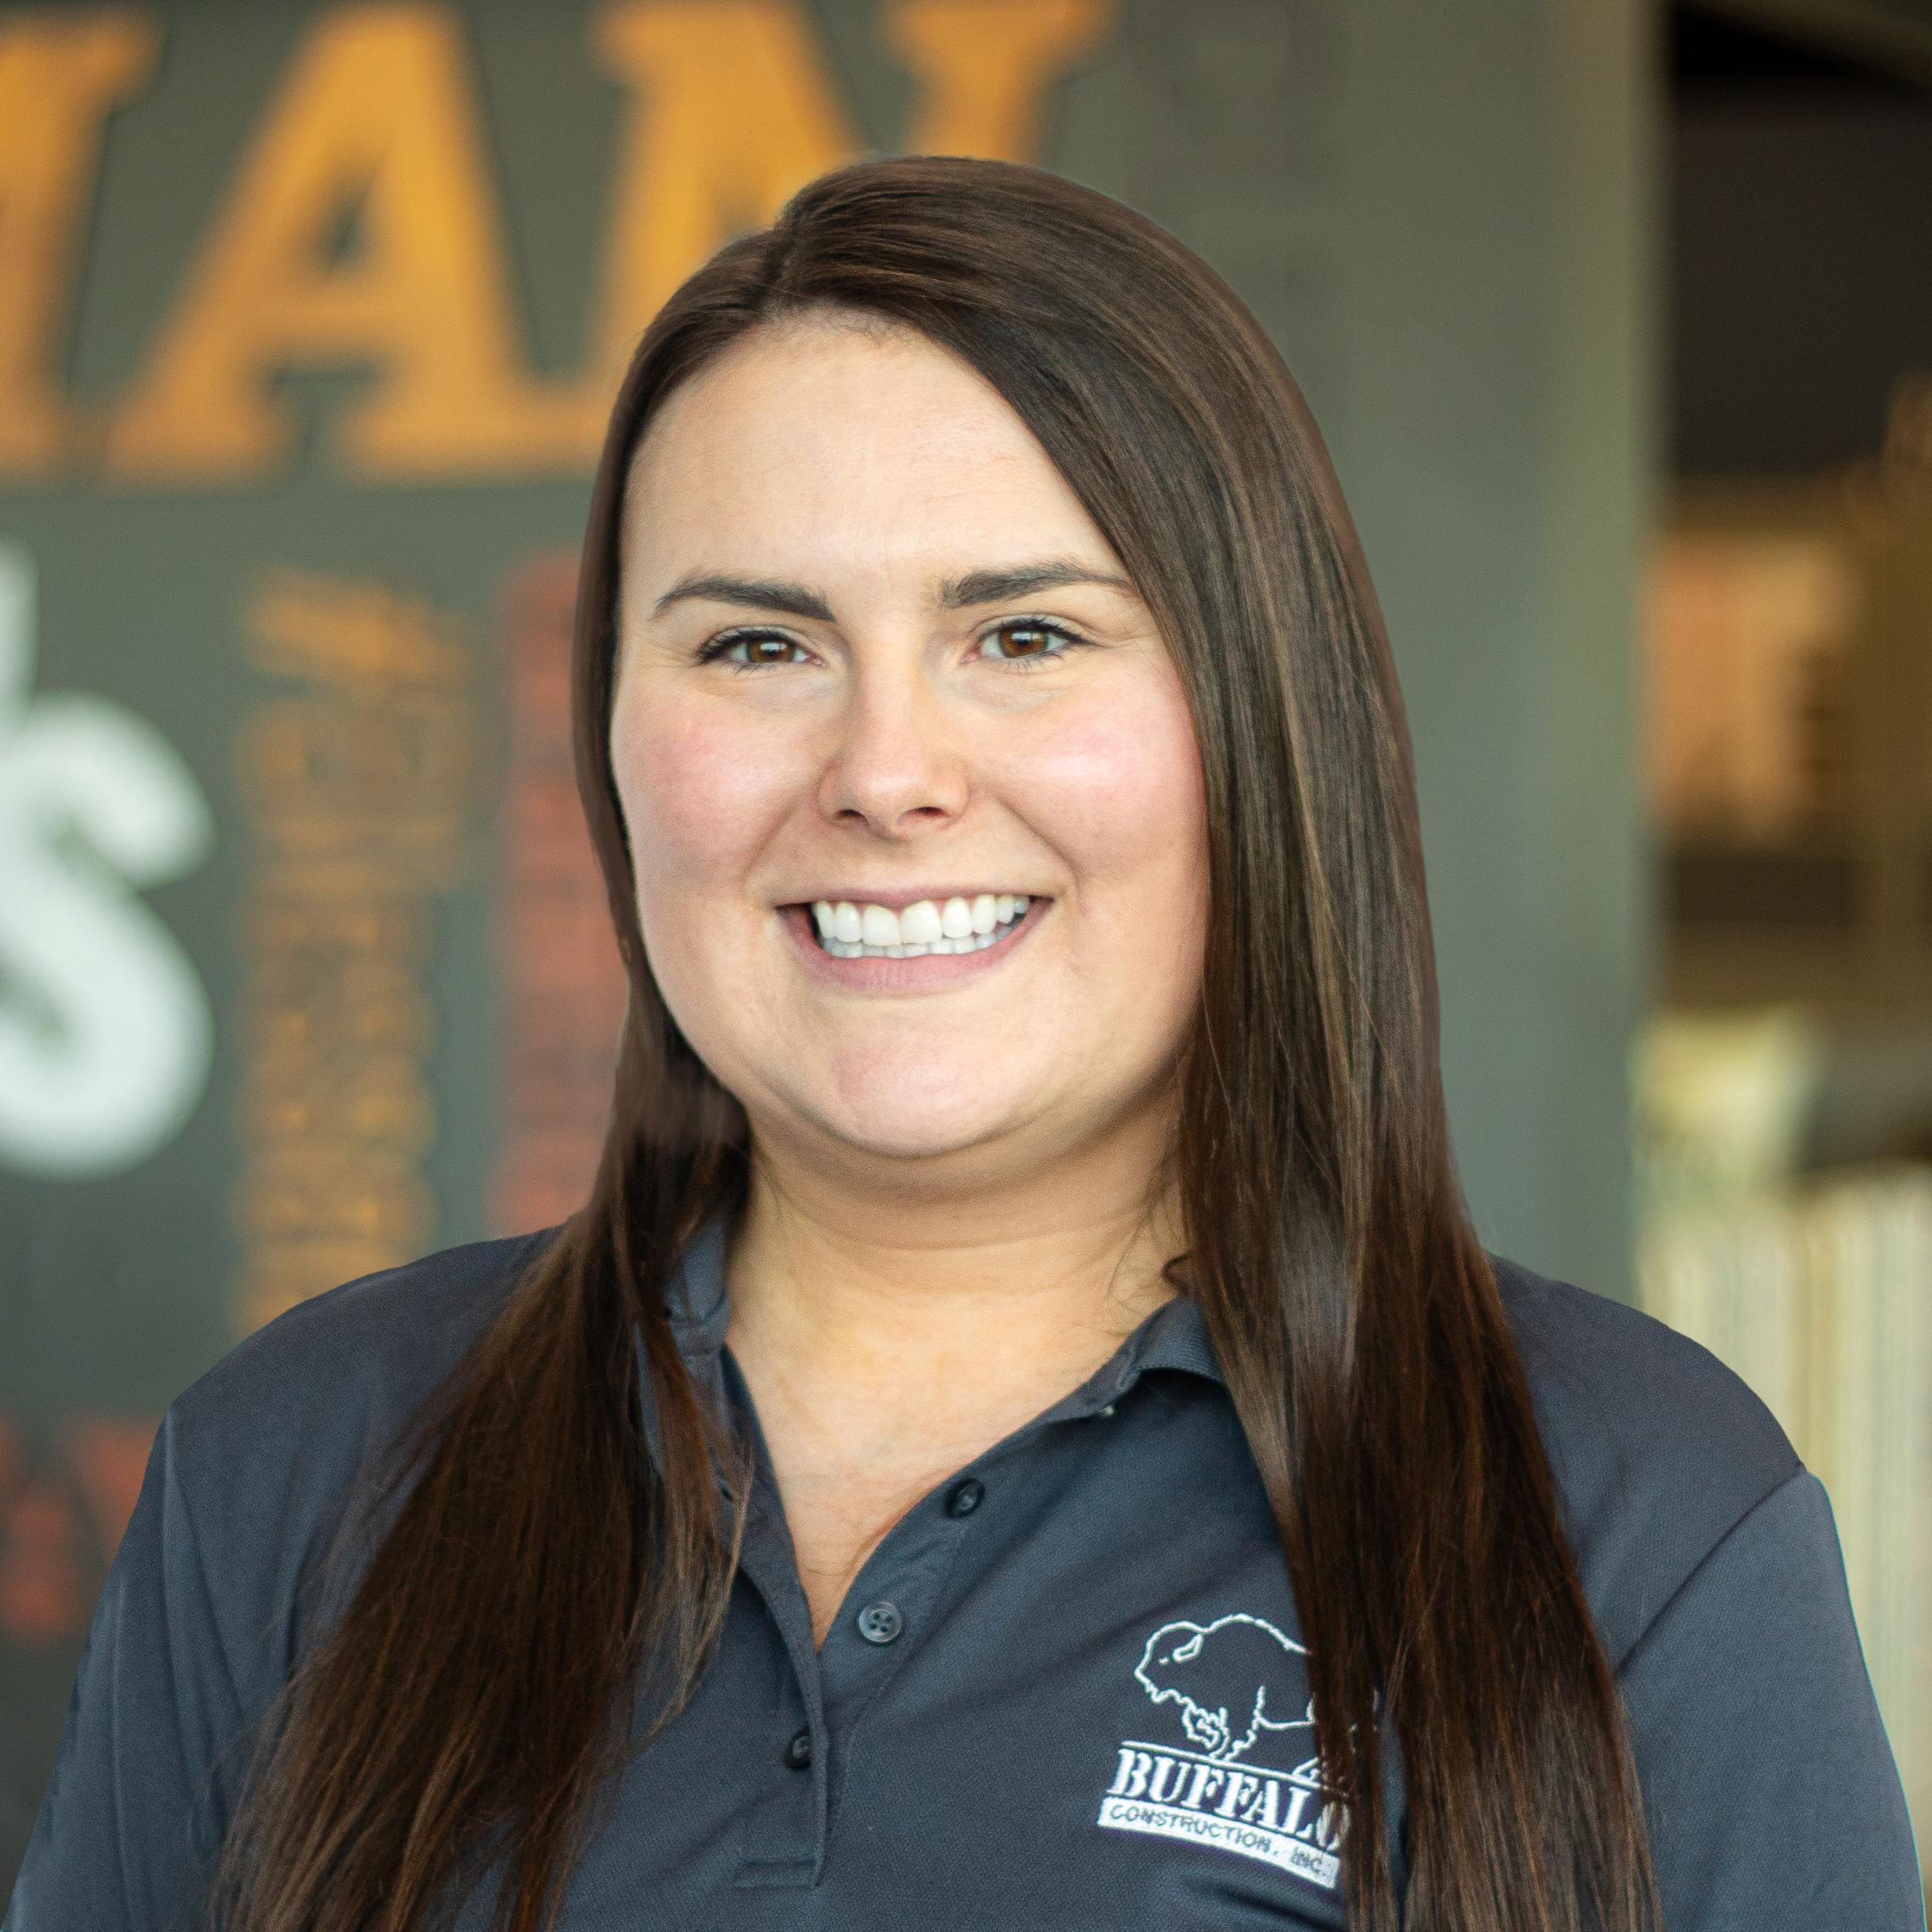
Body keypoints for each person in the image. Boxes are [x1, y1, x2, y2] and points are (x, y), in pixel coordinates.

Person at [6, 154, 1923, 1932]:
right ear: (605, 738)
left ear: (1259, 723)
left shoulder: (1631, 1518)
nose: (885, 775)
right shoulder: (298, 1464)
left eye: (1023, 634)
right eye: (757, 646)